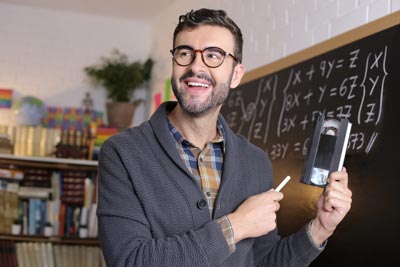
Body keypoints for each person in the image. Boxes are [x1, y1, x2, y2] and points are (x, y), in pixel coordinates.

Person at [97, 8, 352, 267]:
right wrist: (236, 226)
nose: (196, 67)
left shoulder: (255, 161)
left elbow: (263, 262)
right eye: (185, 53)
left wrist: (320, 227)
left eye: (213, 56)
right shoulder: (122, 153)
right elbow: (128, 260)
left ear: (236, 75)